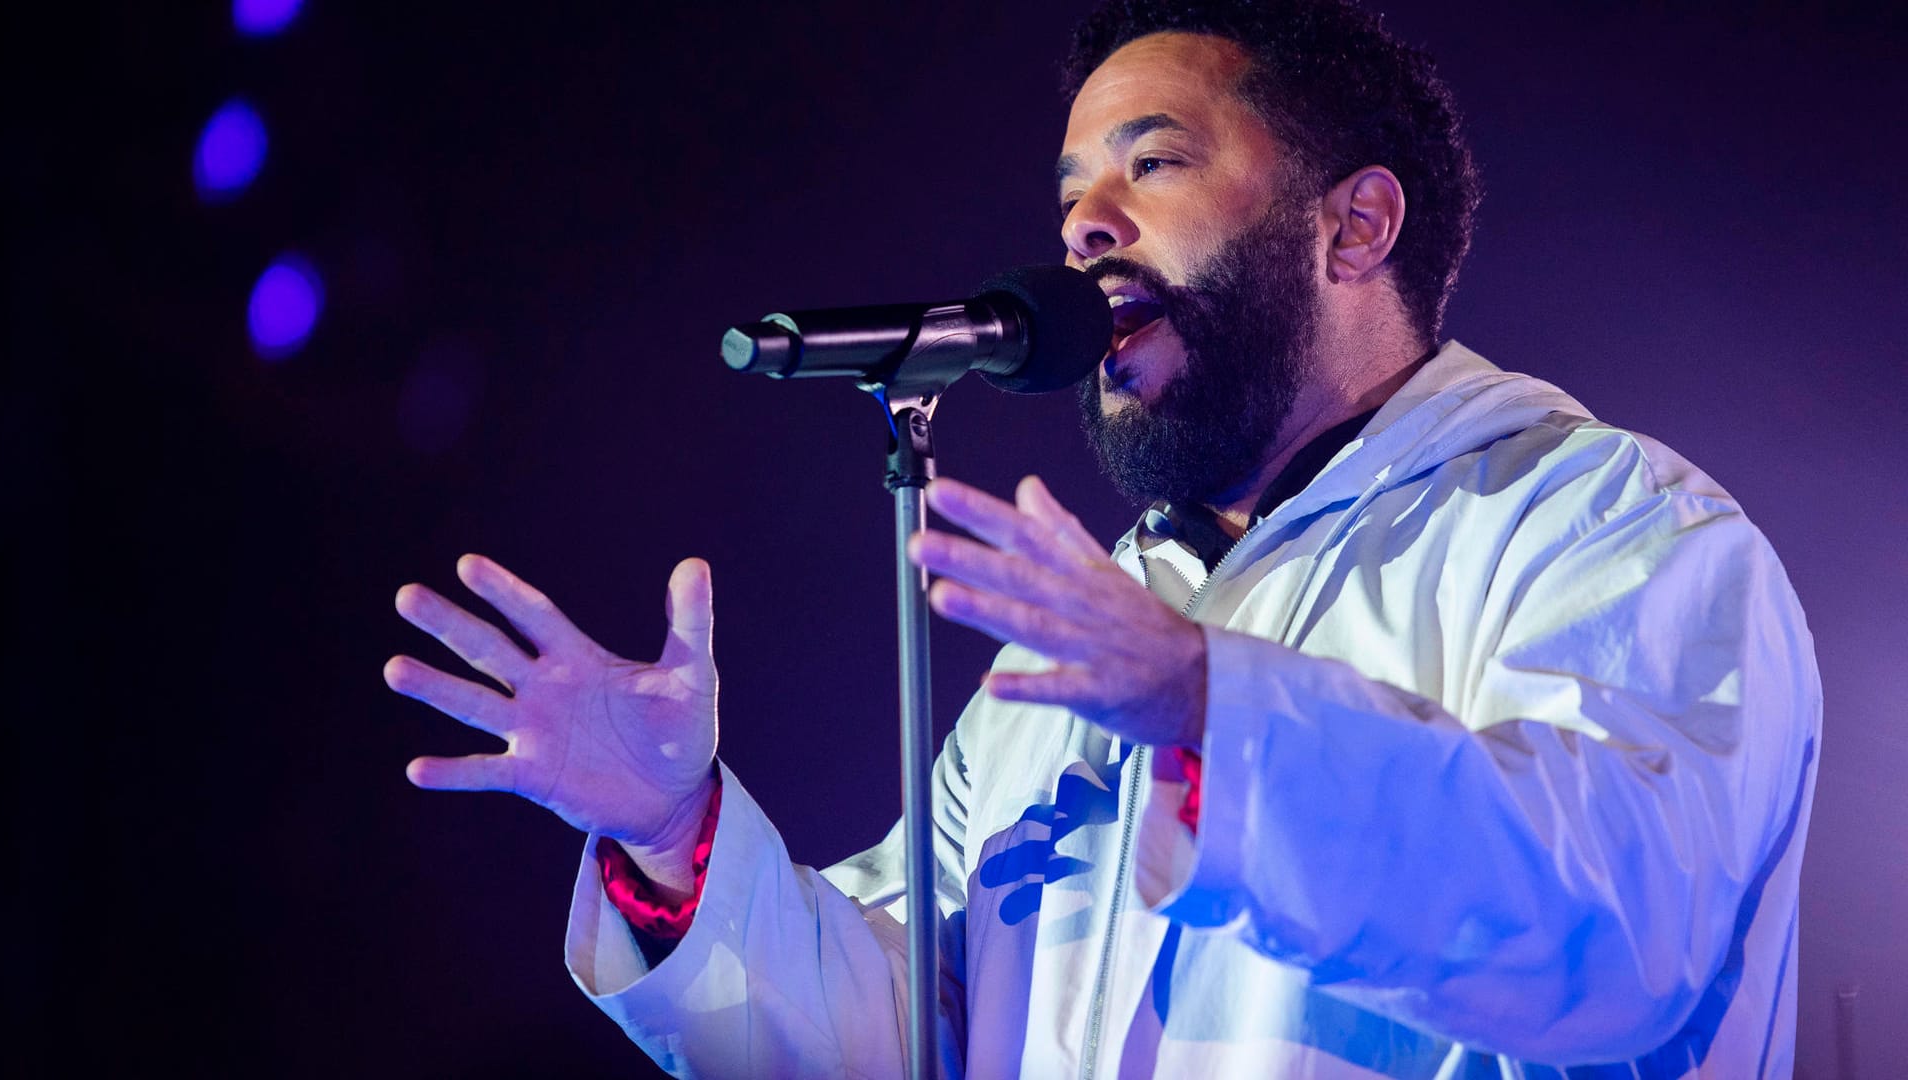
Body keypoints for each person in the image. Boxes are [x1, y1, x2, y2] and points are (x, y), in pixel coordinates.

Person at [384, 1, 1820, 1075]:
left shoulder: (1608, 526)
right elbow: (900, 1035)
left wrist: (1215, 709)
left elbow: (1631, 930)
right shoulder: (1082, 643)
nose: (1084, 230)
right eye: (1072, 193)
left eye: (1156, 164)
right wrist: (673, 837)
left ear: (1356, 226)